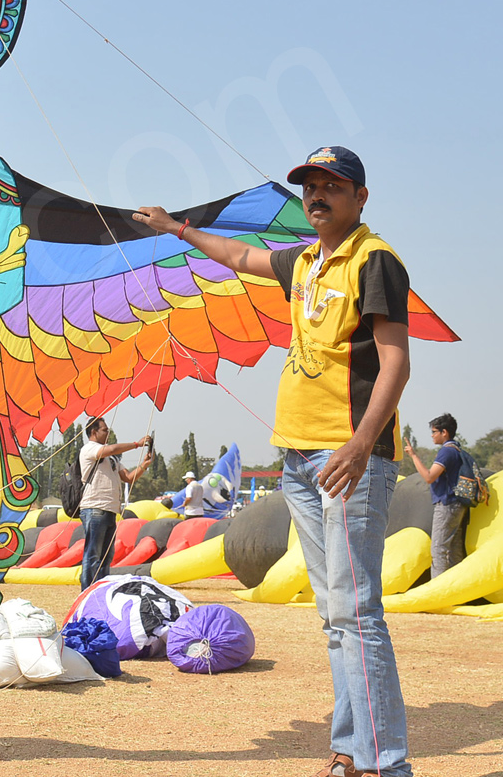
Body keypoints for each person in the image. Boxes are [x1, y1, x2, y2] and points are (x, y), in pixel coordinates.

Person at [135, 145, 412, 777]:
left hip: (347, 457)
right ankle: (349, 752)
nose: (318, 196)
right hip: (298, 458)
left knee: (356, 611)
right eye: (310, 187)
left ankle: (384, 765)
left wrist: (362, 442)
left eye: (332, 186)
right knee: (335, 614)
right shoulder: (307, 262)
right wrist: (177, 228)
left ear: (360, 198)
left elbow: (395, 357)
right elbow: (239, 255)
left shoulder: (374, 260)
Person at [77, 416, 152, 591]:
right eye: (104, 430)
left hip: (109, 509)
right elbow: (110, 449)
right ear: (93, 432)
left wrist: (144, 465)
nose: (108, 433)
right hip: (95, 507)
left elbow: (127, 477)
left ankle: (100, 591)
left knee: (105, 557)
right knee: (93, 555)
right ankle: (87, 592)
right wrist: (137, 444)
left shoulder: (112, 459)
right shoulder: (90, 449)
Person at [403, 413, 468, 577]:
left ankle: (438, 592)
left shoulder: (446, 452)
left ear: (444, 432)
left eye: (434, 432)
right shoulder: (457, 449)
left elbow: (429, 477)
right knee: (454, 551)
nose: (432, 436)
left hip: (446, 505)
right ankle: (457, 590)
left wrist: (413, 455)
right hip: (458, 504)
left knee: (438, 549)